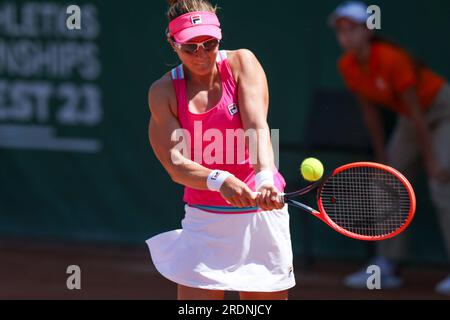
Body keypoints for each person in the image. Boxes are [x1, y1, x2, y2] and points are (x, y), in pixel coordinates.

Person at [146, 0, 295, 300]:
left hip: (261, 217)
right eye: (190, 47)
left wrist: (265, 177)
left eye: (209, 43)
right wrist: (219, 179)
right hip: (205, 220)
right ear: (173, 44)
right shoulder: (162, 92)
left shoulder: (242, 63)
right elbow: (175, 164)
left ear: (220, 37)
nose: (201, 54)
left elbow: (256, 125)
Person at [329, 1, 450, 295]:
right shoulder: (347, 65)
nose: (346, 37)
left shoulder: (392, 59)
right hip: (412, 120)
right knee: (386, 180)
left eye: (352, 29)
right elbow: (370, 112)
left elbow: (419, 114)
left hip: (441, 111)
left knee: (442, 184)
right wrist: (383, 155)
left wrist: (433, 161)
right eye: (341, 31)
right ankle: (387, 266)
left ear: (368, 31)